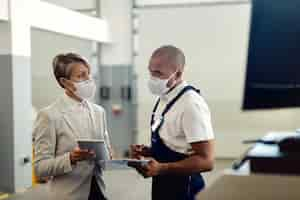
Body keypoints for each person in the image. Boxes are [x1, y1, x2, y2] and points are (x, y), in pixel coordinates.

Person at [129, 45, 215, 200]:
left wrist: (162, 168)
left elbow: (206, 160)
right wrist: (149, 151)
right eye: (150, 71)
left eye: (158, 73)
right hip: (163, 183)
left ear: (178, 74)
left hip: (185, 188)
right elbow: (175, 143)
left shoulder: (191, 104)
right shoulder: (163, 98)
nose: (152, 78)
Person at [33, 53, 112, 200]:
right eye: (81, 76)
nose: (89, 79)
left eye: (89, 74)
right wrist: (70, 158)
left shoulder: (98, 112)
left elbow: (106, 152)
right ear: (65, 82)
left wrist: (107, 154)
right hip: (70, 195)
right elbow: (40, 168)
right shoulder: (49, 116)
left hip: (98, 192)